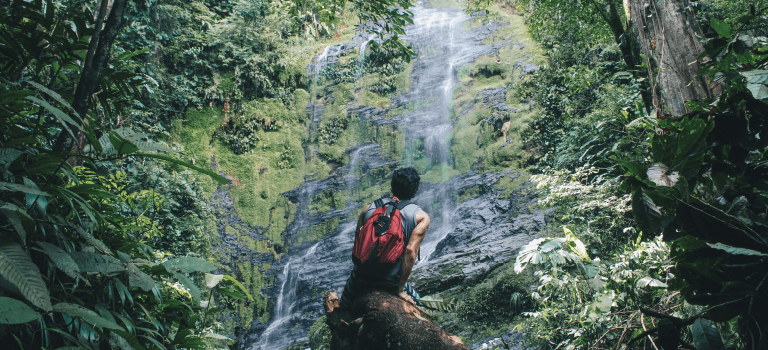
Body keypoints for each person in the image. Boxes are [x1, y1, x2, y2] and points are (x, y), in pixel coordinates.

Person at [340, 167, 431, 308]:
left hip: (359, 278)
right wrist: (400, 289)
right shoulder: (421, 217)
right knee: (422, 305)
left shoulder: (368, 209)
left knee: (341, 308)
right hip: (389, 282)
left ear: (392, 186)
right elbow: (410, 253)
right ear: (415, 189)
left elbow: (358, 242)